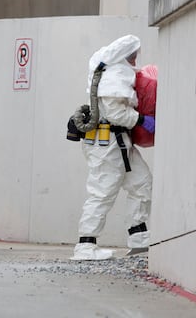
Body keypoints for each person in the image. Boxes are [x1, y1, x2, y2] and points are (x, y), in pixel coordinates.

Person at [71, 34, 155, 261]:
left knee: (142, 183)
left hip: (119, 143)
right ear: (125, 57)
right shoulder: (113, 78)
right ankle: (86, 246)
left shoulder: (112, 74)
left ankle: (139, 238)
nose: (135, 61)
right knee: (102, 193)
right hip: (107, 145)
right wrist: (140, 120)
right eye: (133, 57)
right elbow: (116, 113)